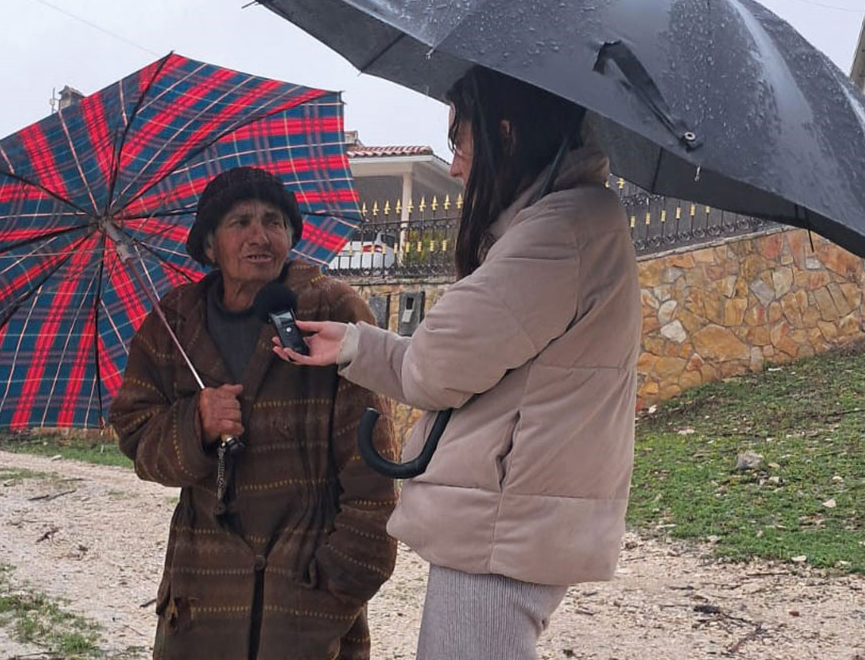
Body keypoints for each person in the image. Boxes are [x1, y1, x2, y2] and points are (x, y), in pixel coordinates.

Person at [273, 67, 642, 660]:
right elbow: (460, 363)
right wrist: (352, 344)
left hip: (503, 527)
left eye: (460, 143)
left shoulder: (558, 232)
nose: (455, 167)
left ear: (505, 134)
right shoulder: (577, 221)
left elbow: (435, 368)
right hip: (517, 519)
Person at [110, 166, 399, 660]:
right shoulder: (172, 324)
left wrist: (341, 582)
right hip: (201, 602)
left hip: (309, 595)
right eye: (239, 222)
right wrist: (194, 424)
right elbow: (137, 437)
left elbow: (372, 467)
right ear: (208, 246)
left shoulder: (333, 310)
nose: (259, 237)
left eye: (274, 221)